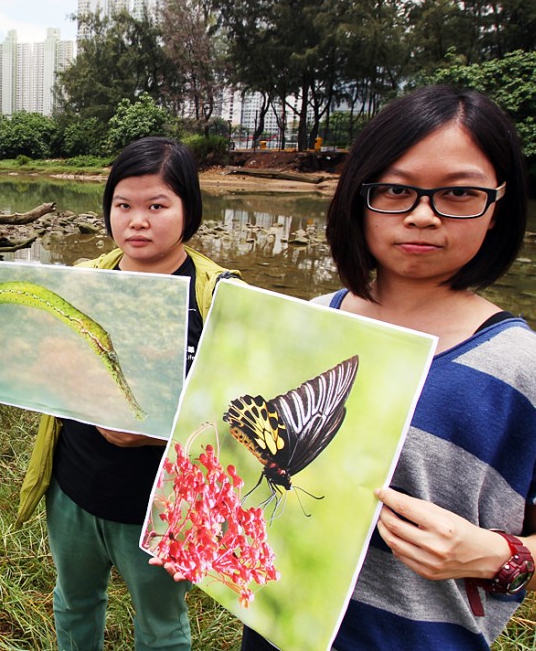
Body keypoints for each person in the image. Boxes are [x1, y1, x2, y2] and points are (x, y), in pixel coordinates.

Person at [216, 85, 535, 649]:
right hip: (273, 631)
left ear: (499, 203)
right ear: (358, 197)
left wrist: (498, 554)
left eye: (459, 193)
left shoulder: (521, 367)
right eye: (394, 190)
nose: (421, 217)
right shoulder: (309, 322)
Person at [0, 137, 239, 650]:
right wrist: (4, 341)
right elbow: (52, 363)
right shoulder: (82, 281)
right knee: (74, 600)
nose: (137, 220)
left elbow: (233, 414)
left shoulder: (221, 298)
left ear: (190, 211)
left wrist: (155, 437)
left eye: (156, 206)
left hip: (160, 504)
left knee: (160, 621)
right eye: (123, 206)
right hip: (73, 487)